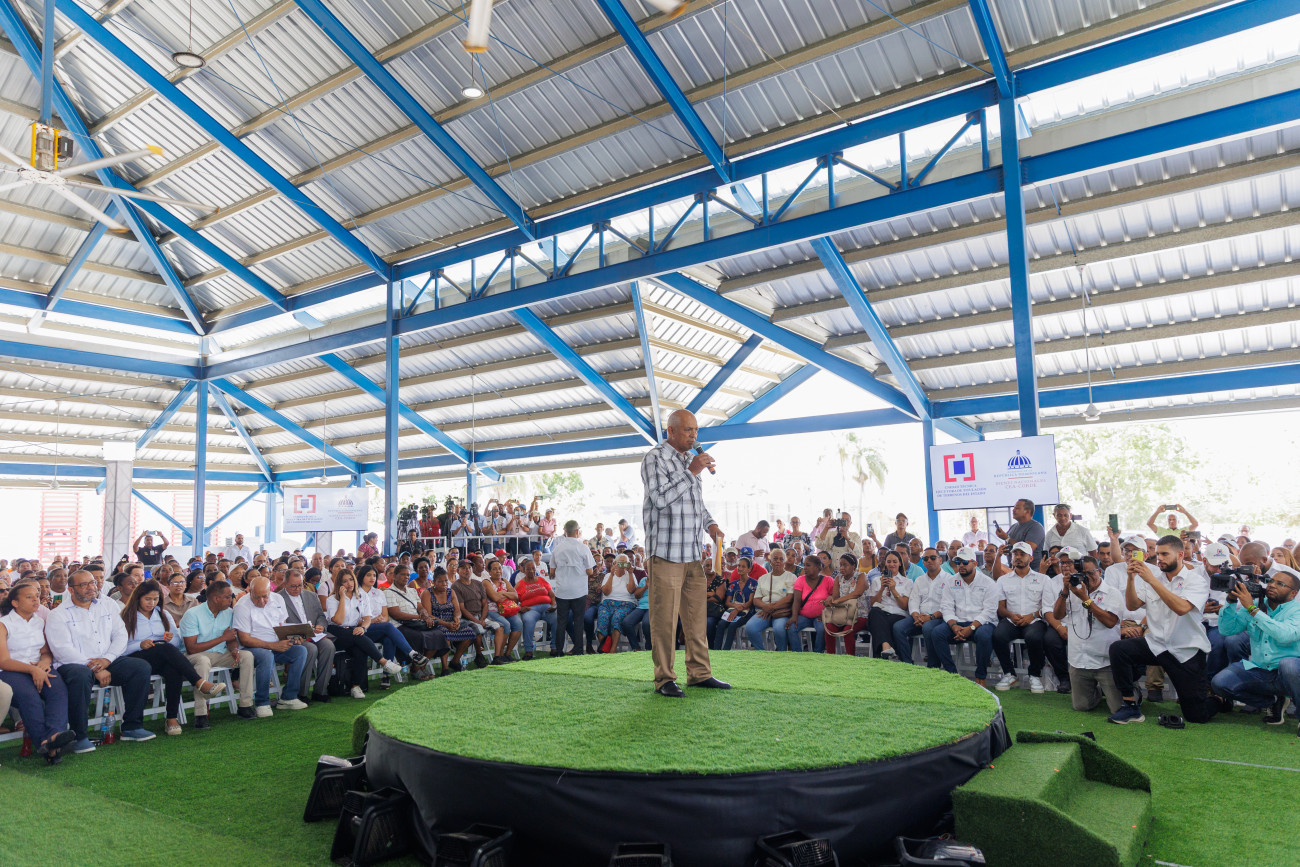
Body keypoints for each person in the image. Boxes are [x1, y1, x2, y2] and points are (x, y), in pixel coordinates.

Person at [640, 409, 728, 697]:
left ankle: (700, 674)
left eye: (696, 430)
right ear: (671, 431)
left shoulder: (690, 461)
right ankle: (664, 678)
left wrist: (710, 524)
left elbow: (695, 503)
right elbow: (660, 499)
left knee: (695, 619)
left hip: (692, 553)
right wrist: (692, 471)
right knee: (664, 621)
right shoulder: (655, 458)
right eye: (688, 430)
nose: (694, 435)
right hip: (665, 553)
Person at [1107, 535, 1220, 725]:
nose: (1159, 558)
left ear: (1180, 555)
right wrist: (1131, 579)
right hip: (1157, 645)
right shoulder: (1153, 579)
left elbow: (1181, 608)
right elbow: (1132, 605)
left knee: (1196, 716)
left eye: (1165, 554)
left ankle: (1219, 700)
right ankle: (1130, 705)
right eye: (1158, 554)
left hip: (1187, 650)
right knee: (1119, 649)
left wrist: (1152, 581)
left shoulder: (1196, 581)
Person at [46, 569, 155, 747]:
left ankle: (132, 727)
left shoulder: (107, 605)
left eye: (93, 583)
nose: (91, 587)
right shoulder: (58, 614)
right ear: (71, 590)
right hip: (74, 664)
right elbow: (62, 649)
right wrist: (94, 667)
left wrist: (107, 660)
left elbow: (121, 635)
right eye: (84, 584)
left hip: (106, 660)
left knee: (140, 667)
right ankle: (79, 737)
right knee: (80, 676)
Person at [121, 579, 225, 736]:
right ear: (138, 598)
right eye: (147, 599)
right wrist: (140, 645)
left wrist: (169, 638)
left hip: (162, 655)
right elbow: (120, 647)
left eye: (155, 599)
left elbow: (176, 642)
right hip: (136, 658)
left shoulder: (162, 614)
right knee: (165, 649)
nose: (151, 603)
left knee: (173, 668)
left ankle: (171, 718)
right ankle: (199, 683)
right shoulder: (127, 616)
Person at [1210, 565, 1300, 728]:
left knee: (1288, 665)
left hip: (1287, 674)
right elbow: (1227, 630)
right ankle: (1272, 702)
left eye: (1280, 584)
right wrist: (1230, 601)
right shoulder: (1257, 604)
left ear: (1293, 593)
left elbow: (1284, 635)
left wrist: (1252, 609)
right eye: (1271, 581)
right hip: (1260, 670)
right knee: (1219, 683)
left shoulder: (1296, 610)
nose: (1272, 585)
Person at [0, 580, 75, 763]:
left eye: (36, 596)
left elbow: (45, 652)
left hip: (38, 667)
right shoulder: (4, 624)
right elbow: (4, 661)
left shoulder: (39, 621)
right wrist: (33, 669)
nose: (36, 600)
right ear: (15, 603)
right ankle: (46, 743)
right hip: (12, 670)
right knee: (30, 697)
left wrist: (44, 663)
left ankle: (54, 736)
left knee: (58, 691)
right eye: (29, 597)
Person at [1051, 556, 1124, 714]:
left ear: (1099, 572)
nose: (1086, 577)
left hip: (1105, 661)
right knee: (1081, 706)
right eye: (1082, 574)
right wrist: (1064, 591)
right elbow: (1057, 615)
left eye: (1090, 573)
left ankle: (1131, 690)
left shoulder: (1112, 593)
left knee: (1118, 709)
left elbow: (1110, 622)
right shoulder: (1072, 591)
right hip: (1079, 660)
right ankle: (1096, 692)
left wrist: (1085, 598)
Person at [180, 579, 256, 725]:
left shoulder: (229, 613)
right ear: (216, 598)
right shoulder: (193, 614)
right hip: (195, 655)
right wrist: (222, 638)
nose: (231, 599)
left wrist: (234, 649)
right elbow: (191, 648)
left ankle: (245, 705)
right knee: (203, 661)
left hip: (221, 653)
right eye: (227, 597)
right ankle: (201, 714)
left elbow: (231, 638)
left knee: (246, 656)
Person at [233, 577, 311, 715]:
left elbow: (282, 626)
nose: (261, 601)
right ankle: (262, 702)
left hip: (276, 643)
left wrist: (293, 639)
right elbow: (244, 640)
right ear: (250, 592)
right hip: (252, 648)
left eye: (265, 596)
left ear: (270, 591)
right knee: (266, 656)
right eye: (256, 597)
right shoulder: (242, 606)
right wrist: (273, 646)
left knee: (300, 651)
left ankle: (288, 697)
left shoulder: (278, 599)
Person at [929, 547, 998, 686]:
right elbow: (946, 607)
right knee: (937, 633)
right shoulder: (951, 581)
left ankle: (981, 676)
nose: (961, 565)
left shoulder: (988, 582)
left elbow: (989, 611)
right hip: (958, 623)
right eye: (958, 562)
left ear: (975, 563)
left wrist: (971, 628)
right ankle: (952, 674)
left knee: (984, 635)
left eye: (965, 562)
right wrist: (954, 626)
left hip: (981, 623)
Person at [991, 542, 1052, 693]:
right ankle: (1009, 674)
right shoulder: (1003, 580)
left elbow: (1048, 606)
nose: (1018, 557)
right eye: (1015, 554)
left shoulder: (1043, 579)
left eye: (1022, 554)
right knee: (997, 635)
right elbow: (1000, 607)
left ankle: (1035, 675)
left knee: (1034, 637)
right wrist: (1011, 615)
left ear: (1030, 558)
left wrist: (1033, 615)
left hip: (1035, 620)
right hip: (1011, 620)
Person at [277, 570, 337, 703]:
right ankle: (301, 693)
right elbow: (278, 624)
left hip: (314, 634)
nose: (297, 589)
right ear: (285, 584)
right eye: (293, 586)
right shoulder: (278, 598)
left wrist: (321, 626)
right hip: (294, 638)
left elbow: (321, 616)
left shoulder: (311, 595)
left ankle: (320, 691)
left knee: (328, 646)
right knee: (310, 649)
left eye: (300, 585)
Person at [384, 564, 450, 673]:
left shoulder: (412, 591)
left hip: (416, 623)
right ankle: (416, 666)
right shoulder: (388, 592)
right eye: (403, 574)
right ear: (395, 576)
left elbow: (420, 607)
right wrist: (419, 617)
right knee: (419, 637)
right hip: (401, 625)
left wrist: (424, 614)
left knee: (438, 634)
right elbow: (396, 614)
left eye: (408, 575)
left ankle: (418, 667)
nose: (406, 577)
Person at [550, 520, 595, 656]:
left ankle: (559, 651)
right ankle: (578, 650)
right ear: (577, 531)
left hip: (562, 590)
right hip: (578, 590)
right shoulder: (583, 548)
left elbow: (552, 572)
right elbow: (590, 571)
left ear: (565, 531)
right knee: (578, 621)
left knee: (561, 622)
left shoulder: (557, 548)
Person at [895, 547, 945, 666]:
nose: (929, 560)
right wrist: (916, 615)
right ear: (923, 562)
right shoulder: (919, 580)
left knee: (928, 628)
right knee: (898, 627)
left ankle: (933, 666)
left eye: (933, 558)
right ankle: (907, 664)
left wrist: (931, 617)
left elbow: (948, 605)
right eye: (925, 558)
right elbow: (913, 601)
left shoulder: (949, 579)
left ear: (940, 560)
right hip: (919, 617)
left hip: (939, 618)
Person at [422, 568, 478, 671]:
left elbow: (457, 610)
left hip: (451, 622)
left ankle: (455, 661)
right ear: (434, 582)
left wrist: (457, 619)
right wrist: (445, 624)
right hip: (436, 623)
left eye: (446, 581)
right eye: (440, 581)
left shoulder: (451, 592)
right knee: (444, 634)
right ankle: (445, 667)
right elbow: (429, 615)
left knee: (469, 632)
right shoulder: (427, 593)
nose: (444, 584)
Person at [451, 560, 502, 667]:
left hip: (482, 616)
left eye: (469, 568)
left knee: (499, 627)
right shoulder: (456, 586)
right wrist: (477, 621)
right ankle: (479, 655)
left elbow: (485, 603)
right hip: (467, 618)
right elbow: (462, 609)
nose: (467, 570)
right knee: (477, 629)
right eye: (464, 568)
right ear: (458, 571)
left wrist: (482, 619)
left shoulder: (478, 583)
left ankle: (497, 657)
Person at [865, 551, 911, 658]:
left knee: (878, 624)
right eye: (889, 561)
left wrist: (893, 590)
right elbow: (873, 603)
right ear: (885, 563)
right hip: (880, 613)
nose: (891, 564)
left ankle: (882, 653)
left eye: (895, 562)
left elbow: (904, 606)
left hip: (897, 614)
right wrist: (882, 588)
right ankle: (886, 647)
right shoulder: (877, 580)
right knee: (874, 612)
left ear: (900, 563)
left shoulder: (907, 582)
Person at [513, 560, 557, 661]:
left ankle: (554, 647)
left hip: (546, 607)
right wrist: (520, 608)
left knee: (556, 618)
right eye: (528, 569)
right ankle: (528, 650)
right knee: (528, 621)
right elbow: (514, 601)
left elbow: (552, 595)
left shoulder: (542, 580)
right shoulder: (520, 584)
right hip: (530, 609)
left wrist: (554, 605)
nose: (532, 571)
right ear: (524, 570)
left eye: (533, 568)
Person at [789, 555, 833, 653]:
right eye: (804, 565)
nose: (805, 568)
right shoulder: (800, 580)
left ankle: (818, 654)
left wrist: (827, 612)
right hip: (804, 616)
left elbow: (835, 597)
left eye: (808, 565)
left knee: (821, 629)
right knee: (791, 627)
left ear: (817, 567)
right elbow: (796, 600)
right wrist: (794, 616)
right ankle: (797, 655)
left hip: (821, 617)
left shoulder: (828, 580)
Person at [481, 560, 522, 664]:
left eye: (499, 568)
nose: (498, 571)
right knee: (506, 624)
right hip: (492, 610)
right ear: (489, 571)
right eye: (494, 569)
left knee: (518, 624)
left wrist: (503, 593)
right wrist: (507, 595)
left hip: (507, 609)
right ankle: (499, 655)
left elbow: (516, 596)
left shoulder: (504, 581)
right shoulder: (486, 582)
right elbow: (495, 598)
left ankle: (507, 653)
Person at [716, 555, 758, 650]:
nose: (740, 568)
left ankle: (726, 651)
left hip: (747, 612)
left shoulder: (754, 583)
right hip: (733, 610)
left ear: (749, 569)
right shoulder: (733, 584)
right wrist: (736, 608)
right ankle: (716, 651)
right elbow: (727, 602)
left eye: (743, 566)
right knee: (721, 624)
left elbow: (750, 602)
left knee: (732, 625)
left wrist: (738, 609)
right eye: (738, 566)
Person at [995, 499, 1047, 571]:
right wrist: (1004, 550)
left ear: (1027, 511)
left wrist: (1007, 538)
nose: (1013, 510)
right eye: (1014, 508)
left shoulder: (1036, 527)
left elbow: (1027, 549)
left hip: (1032, 572)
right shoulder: (1013, 527)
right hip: (1013, 570)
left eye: (1017, 508)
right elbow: (1011, 547)